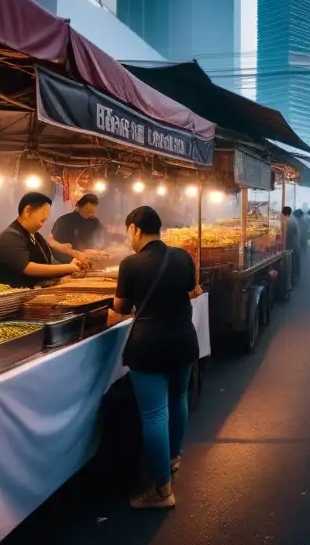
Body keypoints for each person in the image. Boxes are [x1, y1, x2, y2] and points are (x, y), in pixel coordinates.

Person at [113, 206, 201, 510]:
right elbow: (193, 289)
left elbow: (121, 308)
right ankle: (173, 457)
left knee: (154, 414)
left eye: (128, 232)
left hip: (149, 346)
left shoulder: (131, 264)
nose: (128, 238)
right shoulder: (183, 256)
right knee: (179, 398)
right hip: (184, 340)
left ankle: (161, 489)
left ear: (135, 229)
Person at [0, 192, 84, 287]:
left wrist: (71, 263)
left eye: (44, 221)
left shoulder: (37, 237)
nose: (44, 222)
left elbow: (49, 263)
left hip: (31, 296)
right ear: (27, 211)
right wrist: (68, 268)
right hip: (5, 299)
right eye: (42, 220)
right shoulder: (9, 238)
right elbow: (28, 268)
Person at [282, 207, 300, 287]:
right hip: (294, 244)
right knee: (294, 262)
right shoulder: (293, 219)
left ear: (283, 213)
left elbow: (287, 235)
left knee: (289, 265)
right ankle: (293, 279)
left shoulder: (288, 221)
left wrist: (283, 245)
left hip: (289, 245)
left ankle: (289, 283)